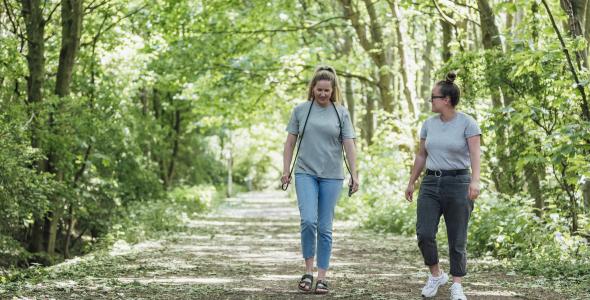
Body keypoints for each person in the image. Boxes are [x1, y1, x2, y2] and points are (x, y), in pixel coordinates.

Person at [281, 65, 359, 294]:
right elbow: (289, 143)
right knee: (308, 221)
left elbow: (350, 146)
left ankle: (322, 276)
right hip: (305, 172)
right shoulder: (301, 110)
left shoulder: (341, 112)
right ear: (313, 89)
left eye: (327, 90)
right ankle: (308, 271)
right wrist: (285, 170)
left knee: (325, 227)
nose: (323, 94)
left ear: (333, 90)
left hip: (332, 176)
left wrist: (355, 174)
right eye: (319, 90)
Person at [405, 72, 481, 300]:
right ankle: (436, 275)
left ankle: (457, 284)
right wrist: (411, 182)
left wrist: (475, 180)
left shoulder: (467, 123)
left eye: (433, 97)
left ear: (446, 100)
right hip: (430, 183)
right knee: (424, 233)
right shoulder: (428, 124)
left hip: (459, 182)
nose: (431, 101)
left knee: (457, 237)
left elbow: (476, 154)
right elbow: (421, 155)